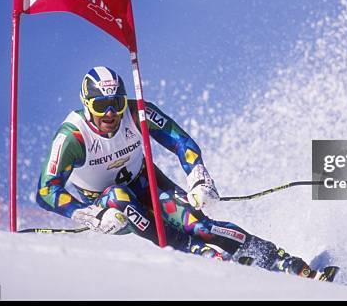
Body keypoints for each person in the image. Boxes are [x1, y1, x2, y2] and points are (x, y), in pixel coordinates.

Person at [36, 66, 324, 279]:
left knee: (199, 226)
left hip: (146, 183)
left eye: (117, 104)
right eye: (101, 106)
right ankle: (196, 251)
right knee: (120, 198)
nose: (110, 113)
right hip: (109, 207)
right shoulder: (73, 137)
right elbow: (47, 191)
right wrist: (89, 216)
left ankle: (282, 261)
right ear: (87, 105)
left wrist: (198, 177)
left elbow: (181, 142)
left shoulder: (138, 113)